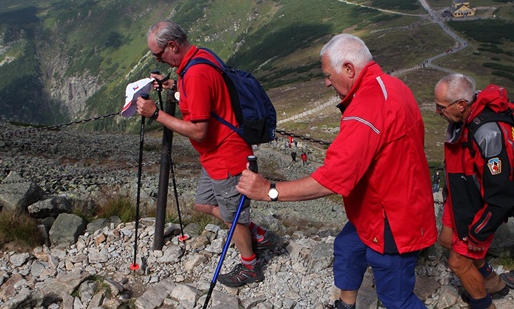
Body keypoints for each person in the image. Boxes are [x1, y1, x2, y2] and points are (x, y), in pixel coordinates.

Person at [236, 33, 437, 309]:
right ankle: (345, 304)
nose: (326, 82)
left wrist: (268, 190)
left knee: (395, 297)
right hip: (378, 204)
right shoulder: (391, 85)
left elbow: (331, 180)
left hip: (392, 218)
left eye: (329, 75)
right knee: (347, 248)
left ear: (349, 69)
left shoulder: (365, 110)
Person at [135, 21, 277, 287]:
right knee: (203, 204)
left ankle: (250, 267)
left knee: (234, 219)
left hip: (226, 156)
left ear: (173, 46)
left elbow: (199, 131)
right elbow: (202, 100)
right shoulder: (199, 57)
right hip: (214, 155)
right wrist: (170, 85)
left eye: (158, 54)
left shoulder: (196, 73)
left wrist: (156, 114)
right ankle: (257, 234)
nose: (157, 59)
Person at [434, 74, 514, 309]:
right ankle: (492, 282)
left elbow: (501, 194)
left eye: (441, 107)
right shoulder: (463, 120)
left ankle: (483, 304)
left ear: (461, 105)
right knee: (447, 241)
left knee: (458, 263)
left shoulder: (488, 133)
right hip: (460, 198)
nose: (438, 112)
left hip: (479, 208)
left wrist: (479, 232)